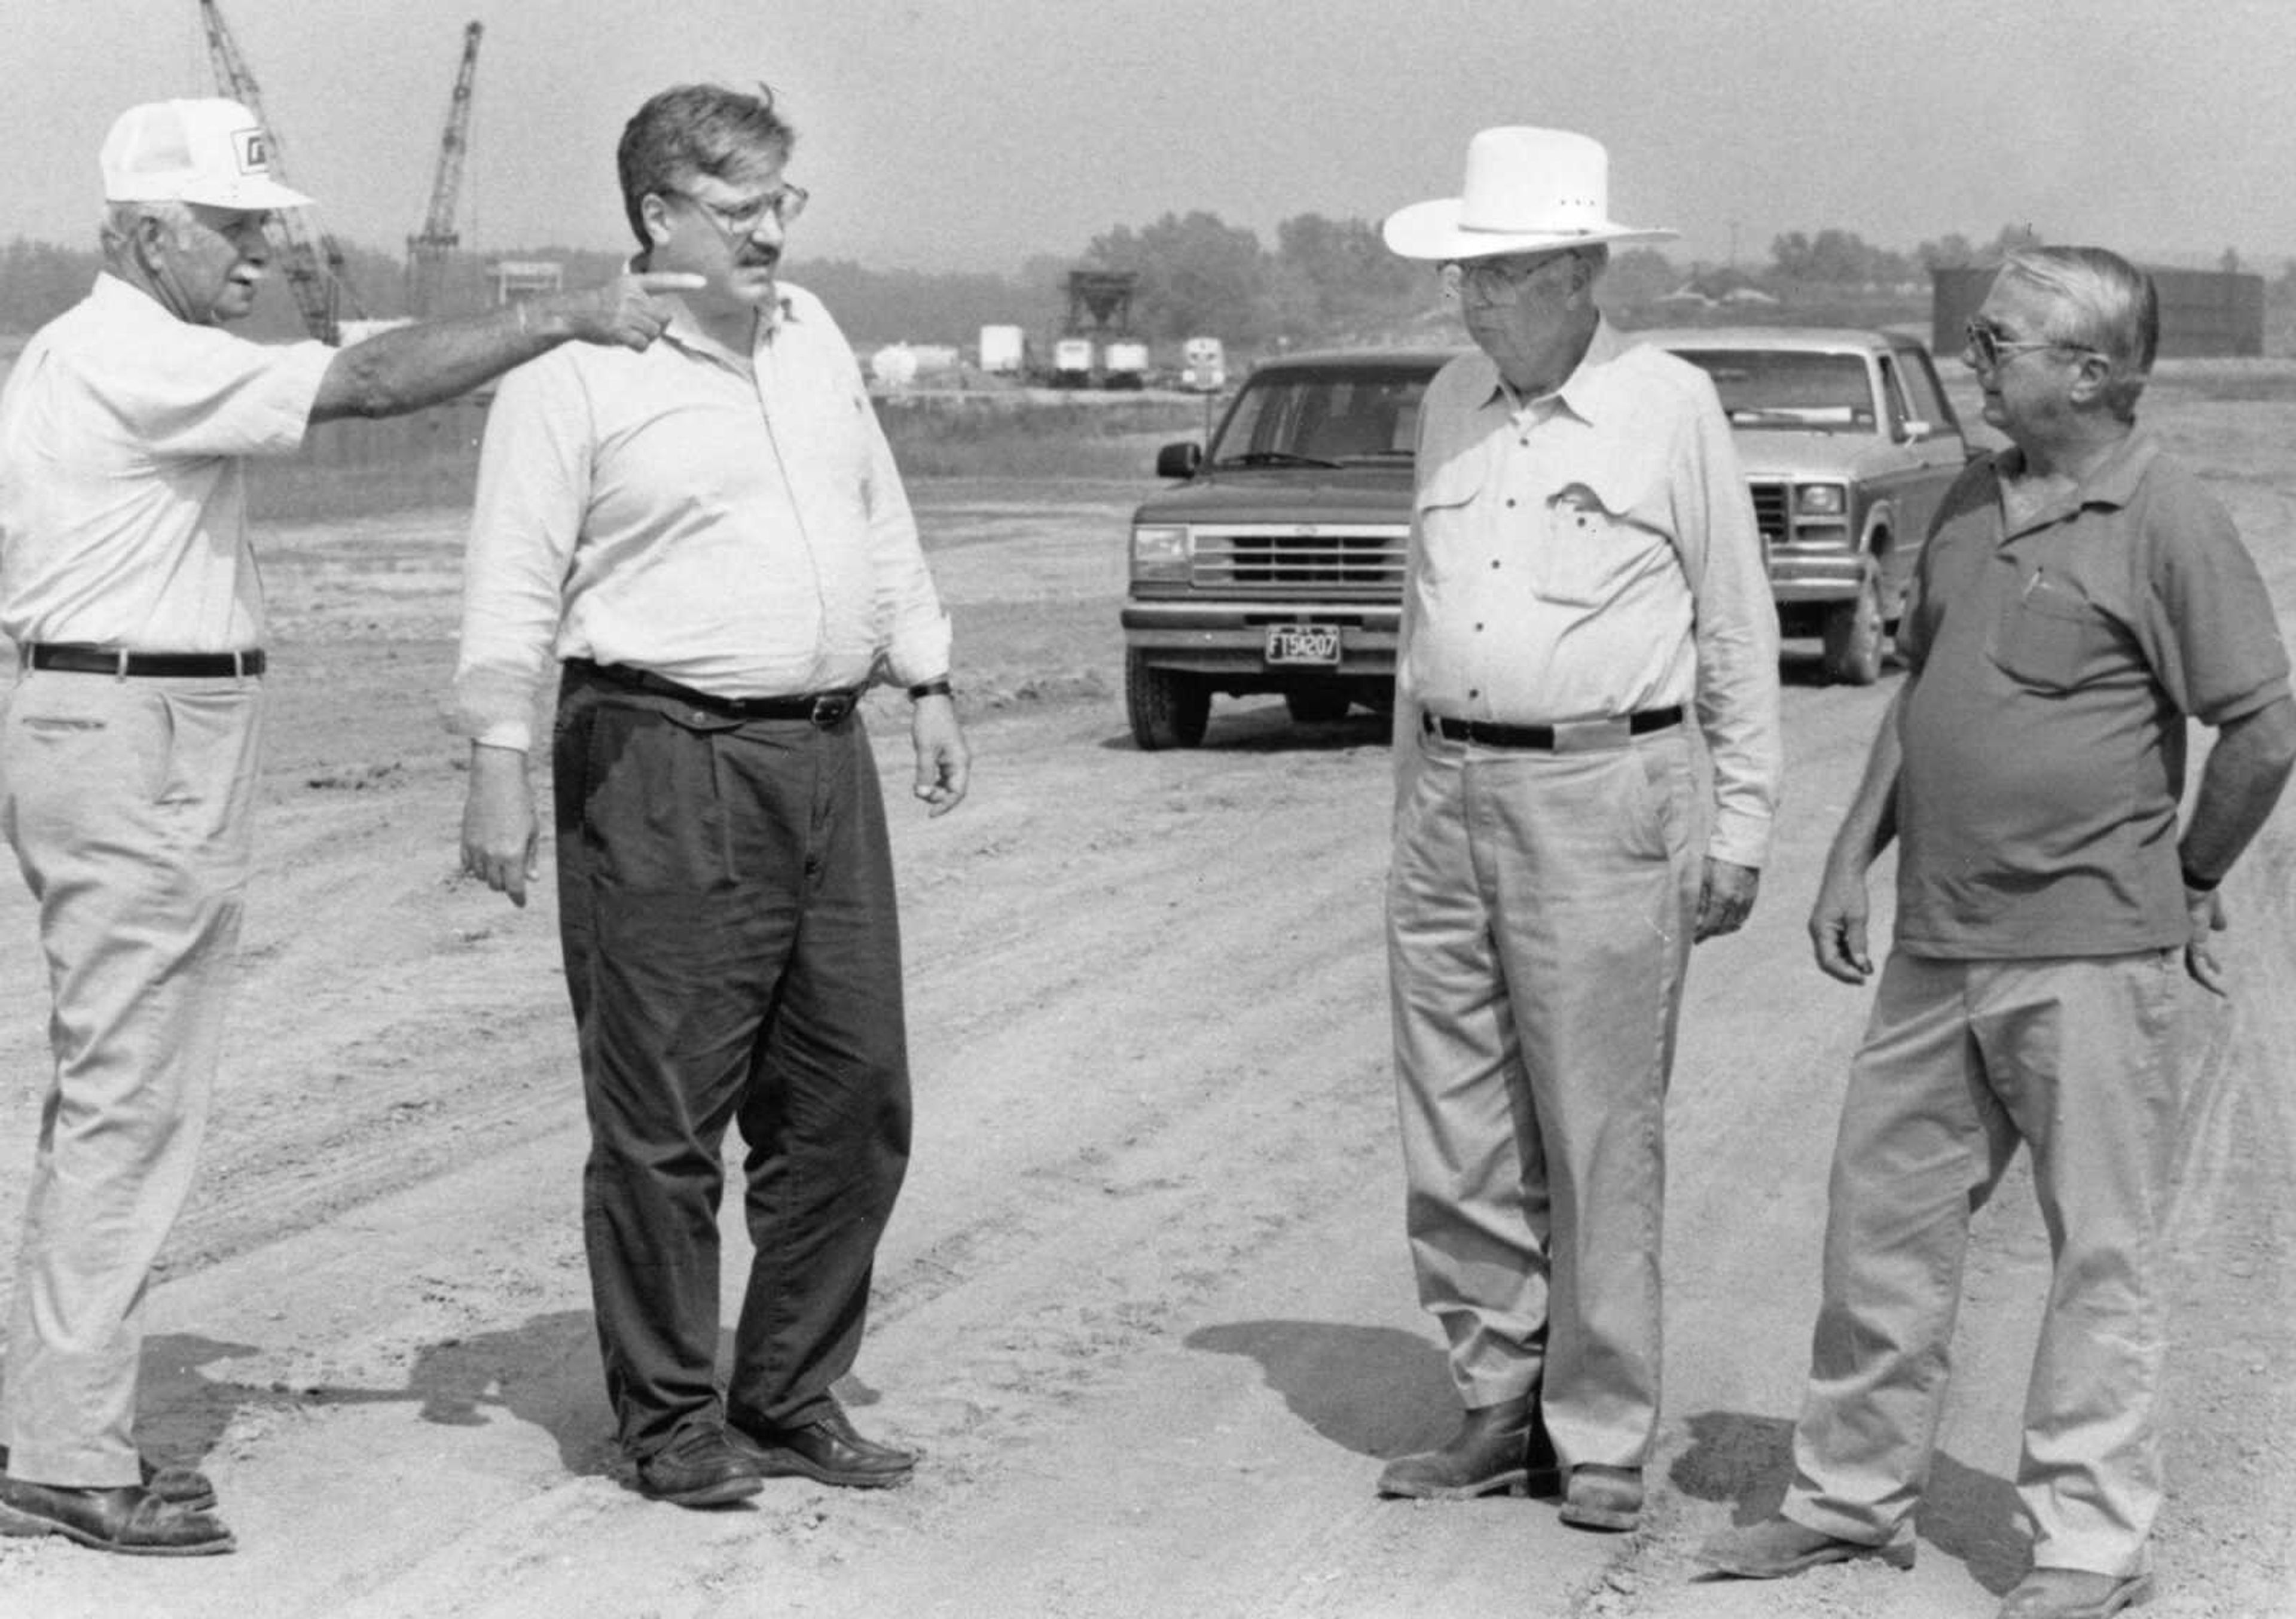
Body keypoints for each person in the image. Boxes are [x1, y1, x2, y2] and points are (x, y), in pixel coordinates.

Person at [0, 98, 696, 1559]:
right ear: (144, 231)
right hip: (138, 732)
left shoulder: (102, 351)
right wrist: (568, 318)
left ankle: (56, 1418)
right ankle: (67, 1454)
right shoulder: (134, 350)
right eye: (236, 227)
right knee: (131, 1097)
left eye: (264, 225)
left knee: (111, 1091)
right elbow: (369, 381)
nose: (261, 254)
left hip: (123, 719)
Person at [1699, 247, 2296, 1619]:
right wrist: (1852, 854)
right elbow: (1924, 695)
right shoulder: (1972, 495)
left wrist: (2189, 872)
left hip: (2092, 956)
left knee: (2099, 1249)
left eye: (1997, 340)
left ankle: (2091, 1543)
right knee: (1881, 1228)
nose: (1972, 357)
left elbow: (2262, 728)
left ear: (2089, 372)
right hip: (1936, 949)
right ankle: (1847, 1501)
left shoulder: (2169, 520)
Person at [452, 83, 968, 1513]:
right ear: (656, 217)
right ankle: (672, 1417)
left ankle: (789, 1392)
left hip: (822, 752)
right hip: (659, 757)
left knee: (854, 1094)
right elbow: (511, 575)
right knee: (665, 1111)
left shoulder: (813, 342)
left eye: (779, 206)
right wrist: (497, 757)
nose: (768, 237)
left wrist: (923, 675)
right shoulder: (576, 370)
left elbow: (876, 506)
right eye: (739, 210)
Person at [1372, 127, 1782, 1533]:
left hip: (1607, 796)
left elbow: (1737, 629)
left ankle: (1598, 1424)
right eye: (1462, 279)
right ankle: (1495, 1398)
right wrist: (1413, 796)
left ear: (1583, 272)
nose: (1470, 303)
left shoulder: (1669, 406)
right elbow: (1422, 626)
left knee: (1600, 1123)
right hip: (1445, 794)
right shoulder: (1448, 404)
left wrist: (1740, 823)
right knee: (1458, 1113)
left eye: (1499, 277)